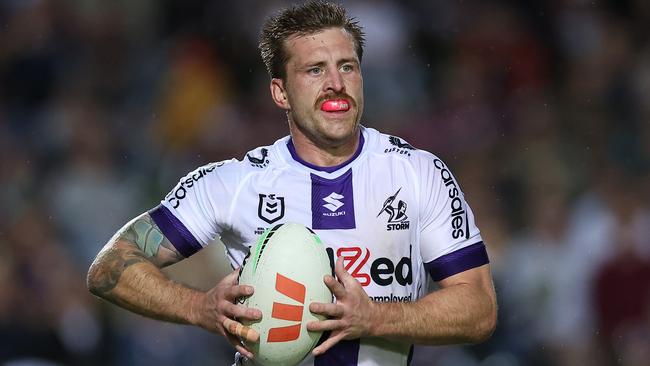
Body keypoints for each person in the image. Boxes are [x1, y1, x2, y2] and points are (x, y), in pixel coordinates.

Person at [86, 1, 497, 365]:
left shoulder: (418, 173)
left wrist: (375, 318)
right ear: (280, 93)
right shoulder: (235, 183)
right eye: (315, 70)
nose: (336, 83)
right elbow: (108, 267)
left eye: (347, 67)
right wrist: (199, 308)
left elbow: (480, 310)